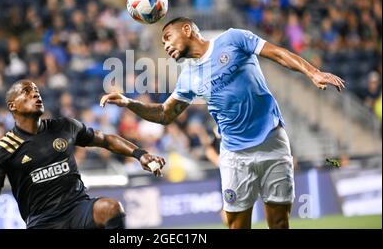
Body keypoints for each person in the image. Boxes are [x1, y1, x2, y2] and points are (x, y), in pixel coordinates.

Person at [100, 17, 345, 229]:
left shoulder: (233, 39)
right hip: (235, 155)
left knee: (280, 223)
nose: (165, 45)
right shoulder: (188, 77)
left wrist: (312, 72)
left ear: (187, 29)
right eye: (163, 42)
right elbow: (165, 114)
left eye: (167, 37)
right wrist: (128, 103)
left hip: (273, 141)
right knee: (236, 225)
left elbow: (278, 53)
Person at [0, 80, 165, 229]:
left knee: (111, 208)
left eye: (36, 90)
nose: (35, 94)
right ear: (12, 106)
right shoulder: (2, 150)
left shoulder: (64, 126)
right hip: (42, 221)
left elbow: (106, 140)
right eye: (26, 92)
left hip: (77, 209)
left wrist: (140, 154)